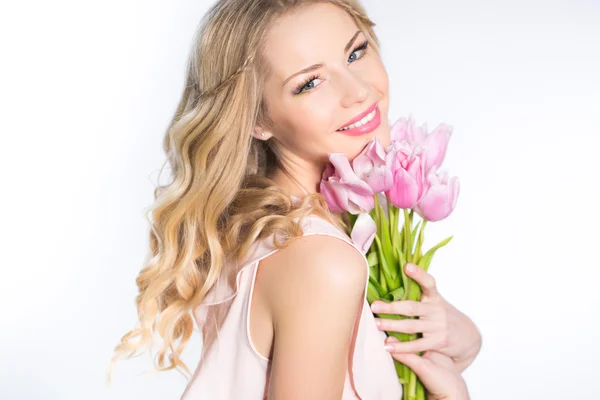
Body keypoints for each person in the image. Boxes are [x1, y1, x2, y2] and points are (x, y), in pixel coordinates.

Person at [107, 0, 482, 399]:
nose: (358, 91)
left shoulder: (268, 228)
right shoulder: (320, 259)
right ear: (257, 119)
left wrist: (464, 339)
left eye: (355, 53)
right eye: (310, 82)